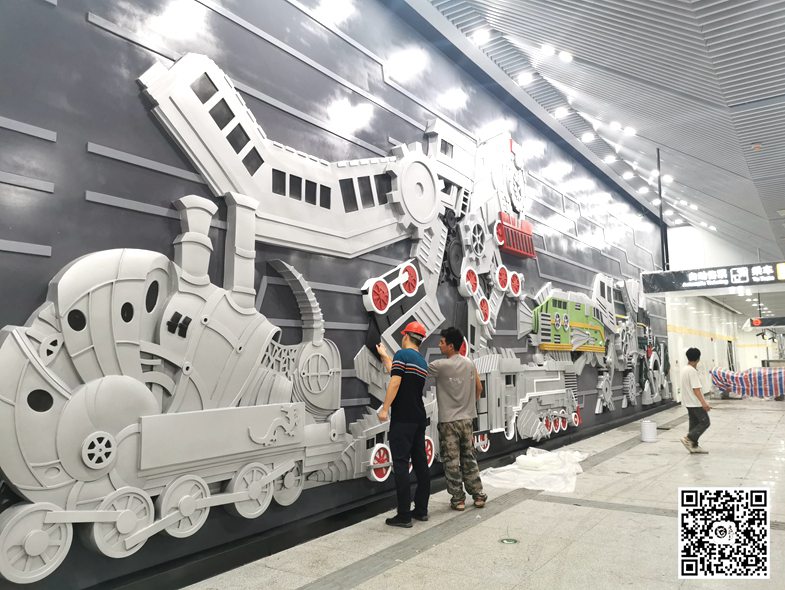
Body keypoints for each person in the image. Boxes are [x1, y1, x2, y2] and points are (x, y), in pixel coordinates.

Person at [376, 321, 431, 528]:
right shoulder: (421, 361)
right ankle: (421, 510)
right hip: (418, 417)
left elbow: (396, 381)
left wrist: (384, 409)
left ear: (406, 336)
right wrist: (384, 356)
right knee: (420, 464)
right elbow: (397, 372)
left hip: (403, 418)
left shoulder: (402, 354)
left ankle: (404, 515)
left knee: (400, 464)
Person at [428, 327, 487, 511]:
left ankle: (458, 499)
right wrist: (468, 405)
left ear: (451, 346)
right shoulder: (470, 364)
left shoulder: (440, 365)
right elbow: (479, 388)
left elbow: (417, 370)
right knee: (469, 457)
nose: (439, 345)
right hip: (467, 419)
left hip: (448, 422)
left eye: (442, 342)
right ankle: (478, 495)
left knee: (451, 461)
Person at [680, 347, 711, 454]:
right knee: (705, 422)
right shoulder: (692, 371)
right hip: (695, 403)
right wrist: (704, 403)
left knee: (694, 424)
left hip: (688, 402)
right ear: (698, 359)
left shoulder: (684, 369)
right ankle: (688, 438)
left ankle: (693, 446)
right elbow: (696, 389)